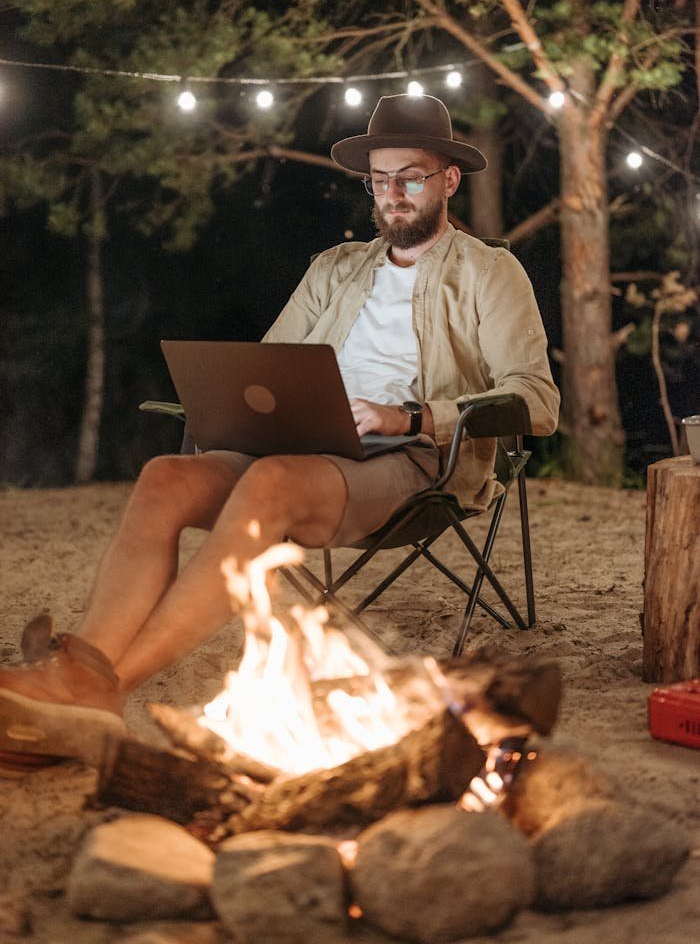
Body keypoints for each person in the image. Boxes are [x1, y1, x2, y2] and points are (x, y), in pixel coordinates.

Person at [0, 93, 559, 771]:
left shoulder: (489, 272)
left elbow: (535, 399)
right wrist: (244, 402)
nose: (393, 194)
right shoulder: (335, 268)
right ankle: (82, 668)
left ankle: (101, 688)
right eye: (380, 179)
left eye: (409, 176)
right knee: (165, 478)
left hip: (416, 459)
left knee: (269, 482)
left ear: (448, 180)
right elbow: (273, 365)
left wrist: (409, 416)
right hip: (302, 443)